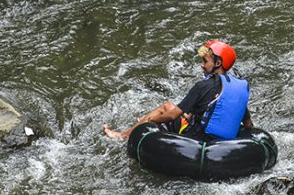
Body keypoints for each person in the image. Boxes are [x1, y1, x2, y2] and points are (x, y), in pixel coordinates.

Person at [103, 40, 254, 140]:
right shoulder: (237, 89)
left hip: (197, 140)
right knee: (187, 114)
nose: (202, 65)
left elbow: (172, 115)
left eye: (205, 61)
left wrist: (151, 120)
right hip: (223, 144)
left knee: (166, 107)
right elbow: (248, 125)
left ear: (218, 63)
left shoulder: (202, 85)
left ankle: (122, 135)